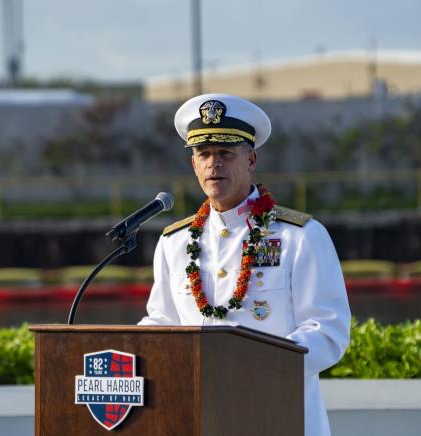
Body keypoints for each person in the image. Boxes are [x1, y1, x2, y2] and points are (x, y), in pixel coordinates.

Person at [138, 93, 351, 436]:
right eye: (203, 154)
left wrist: (257, 364)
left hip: (278, 415)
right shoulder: (174, 243)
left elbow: (329, 330)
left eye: (225, 153)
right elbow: (163, 321)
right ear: (193, 165)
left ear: (251, 160)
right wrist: (131, 353)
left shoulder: (301, 236)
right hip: (198, 417)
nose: (213, 164)